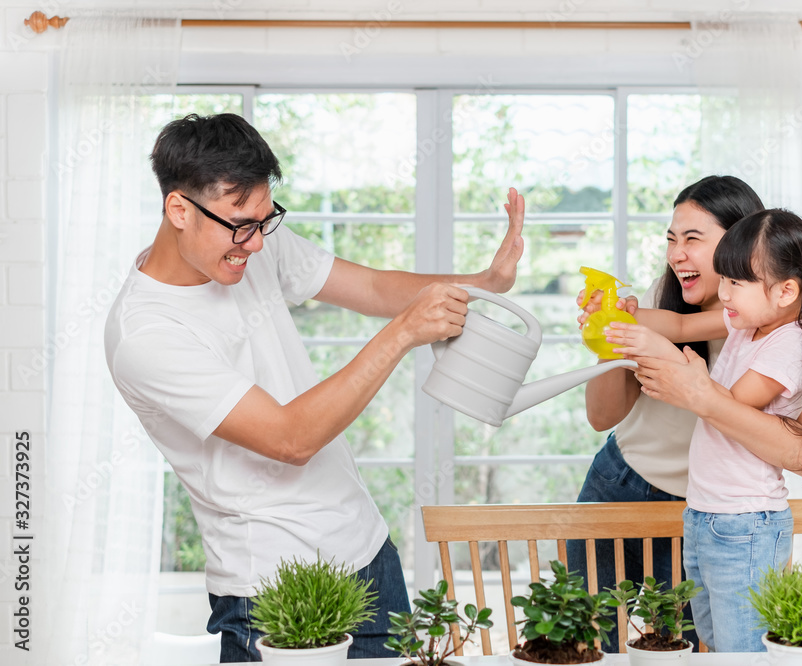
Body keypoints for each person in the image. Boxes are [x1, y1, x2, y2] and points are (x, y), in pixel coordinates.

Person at [104, 113, 525, 663]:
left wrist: (485, 283)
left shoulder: (248, 244)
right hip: (270, 588)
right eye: (240, 224)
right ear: (178, 209)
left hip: (367, 553)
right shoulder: (147, 333)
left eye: (264, 219)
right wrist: (402, 335)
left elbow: (374, 286)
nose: (254, 244)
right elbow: (289, 438)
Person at [606, 208, 802, 652]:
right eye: (725, 280)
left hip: (745, 523)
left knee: (743, 649)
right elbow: (678, 325)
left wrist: (657, 353)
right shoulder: (750, 321)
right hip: (706, 515)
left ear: (786, 290)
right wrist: (628, 317)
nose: (724, 293)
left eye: (736, 282)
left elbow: (724, 404)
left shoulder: (789, 344)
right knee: (714, 644)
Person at [566, 175, 765, 651]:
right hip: (617, 484)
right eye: (672, 240)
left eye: (693, 240)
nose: (677, 254)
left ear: (742, 244)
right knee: (582, 647)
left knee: (688, 654)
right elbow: (601, 416)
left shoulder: (767, 323)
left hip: (700, 514)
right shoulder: (662, 298)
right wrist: (608, 334)